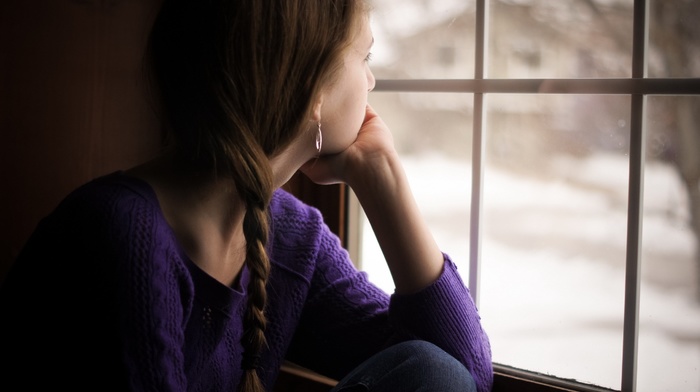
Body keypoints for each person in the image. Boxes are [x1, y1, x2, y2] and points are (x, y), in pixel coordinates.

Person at [0, 0, 493, 391]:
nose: (371, 80)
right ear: (312, 88)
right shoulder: (124, 234)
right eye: (363, 57)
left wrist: (382, 179)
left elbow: (457, 371)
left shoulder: (291, 236)